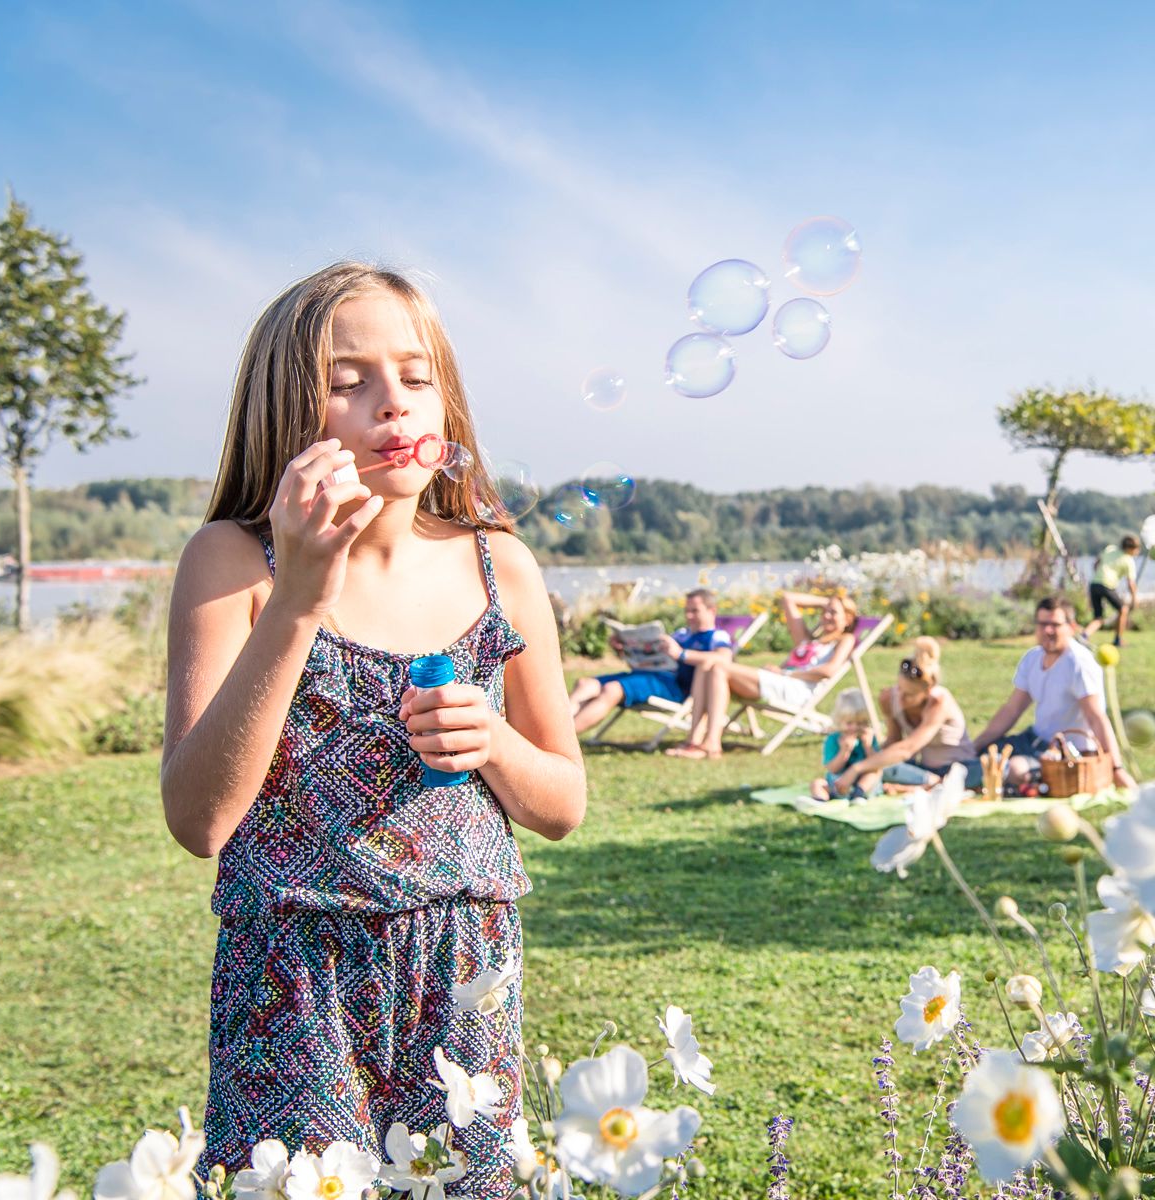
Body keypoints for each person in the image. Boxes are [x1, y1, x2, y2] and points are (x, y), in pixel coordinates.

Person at [161, 263, 585, 1196]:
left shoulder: (498, 565)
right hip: (293, 972)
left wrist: (496, 744)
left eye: (417, 375)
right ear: (286, 414)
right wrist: (298, 601)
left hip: (464, 962)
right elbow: (199, 820)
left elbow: (563, 804)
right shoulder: (234, 563)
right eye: (349, 383)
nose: (392, 402)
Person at [665, 589, 859, 760]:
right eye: (824, 611)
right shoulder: (807, 640)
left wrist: (785, 673)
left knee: (718, 665)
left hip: (797, 689)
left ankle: (711, 743)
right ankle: (694, 739)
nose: (826, 616)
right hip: (780, 682)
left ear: (848, 618)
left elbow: (828, 671)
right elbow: (788, 598)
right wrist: (829, 600)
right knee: (708, 664)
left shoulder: (844, 639)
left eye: (833, 612)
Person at [972, 597, 1135, 792]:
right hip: (1034, 740)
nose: (1047, 630)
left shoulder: (1078, 664)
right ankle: (942, 778)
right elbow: (1011, 710)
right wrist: (976, 745)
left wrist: (1116, 768)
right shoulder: (1032, 658)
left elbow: (1096, 717)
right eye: (1042, 624)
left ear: (1071, 627)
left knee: (1013, 769)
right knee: (985, 756)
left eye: (1055, 625)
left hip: (1068, 753)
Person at [568, 588, 733, 734]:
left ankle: (565, 740)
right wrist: (623, 648)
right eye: (687, 611)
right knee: (585, 684)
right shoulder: (681, 634)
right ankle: (553, 732)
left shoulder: (716, 636)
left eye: (695, 611)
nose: (689, 616)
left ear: (712, 611)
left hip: (674, 687)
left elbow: (724, 659)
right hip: (646, 676)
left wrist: (681, 654)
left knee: (612, 689)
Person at [832, 636, 983, 794]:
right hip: (924, 770)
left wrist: (858, 768)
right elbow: (894, 742)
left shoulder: (939, 702)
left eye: (910, 694)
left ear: (927, 691)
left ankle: (920, 787)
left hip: (961, 768)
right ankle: (925, 786)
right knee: (880, 767)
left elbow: (907, 748)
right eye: (899, 688)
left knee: (869, 767)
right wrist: (864, 750)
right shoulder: (890, 698)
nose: (901, 697)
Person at [809, 688, 882, 801]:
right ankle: (820, 800)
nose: (855, 727)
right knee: (817, 783)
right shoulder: (833, 739)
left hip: (862, 783)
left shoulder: (870, 737)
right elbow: (832, 769)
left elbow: (876, 765)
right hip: (838, 783)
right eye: (849, 723)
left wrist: (868, 747)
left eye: (861, 723)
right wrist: (844, 751)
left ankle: (858, 795)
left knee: (872, 774)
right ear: (839, 721)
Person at [1083, 534, 1142, 646]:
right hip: (1106, 585)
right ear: (1130, 549)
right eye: (1137, 549)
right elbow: (1131, 583)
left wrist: (1100, 575)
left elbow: (1096, 564)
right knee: (1123, 609)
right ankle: (1118, 640)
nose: (1138, 552)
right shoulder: (1128, 560)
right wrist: (1135, 599)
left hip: (1094, 583)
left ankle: (1084, 636)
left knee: (1098, 617)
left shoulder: (1110, 549)